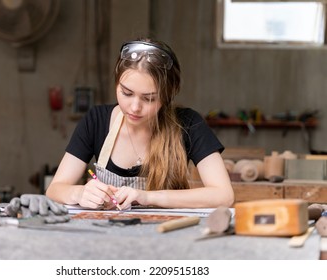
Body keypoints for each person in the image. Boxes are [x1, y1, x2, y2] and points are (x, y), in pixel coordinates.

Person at [46, 38, 234, 210]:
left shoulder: (188, 124)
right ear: (117, 83)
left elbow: (223, 195)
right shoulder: (96, 120)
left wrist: (148, 197)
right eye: (126, 93)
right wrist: (79, 193)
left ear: (167, 97)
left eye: (149, 98)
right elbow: (55, 189)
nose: (135, 107)